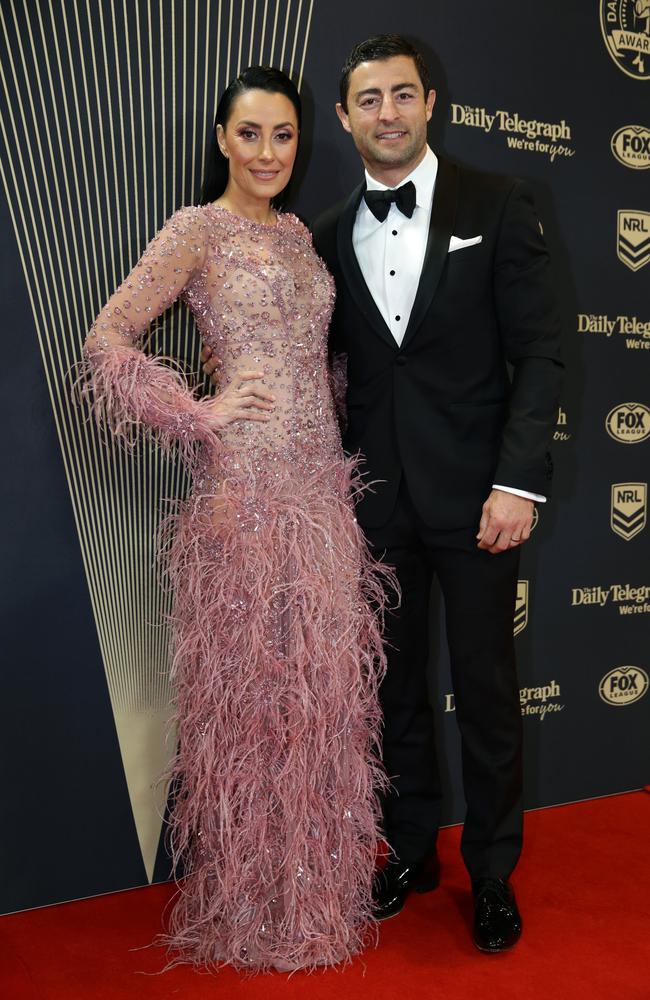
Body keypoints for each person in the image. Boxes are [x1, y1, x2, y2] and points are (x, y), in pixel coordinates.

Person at [79, 66, 394, 972]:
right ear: (222, 139)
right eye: (250, 133)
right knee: (253, 700)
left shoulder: (302, 238)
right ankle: (253, 906)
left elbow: (312, 363)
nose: (267, 152)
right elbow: (108, 339)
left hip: (322, 489)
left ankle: (313, 898)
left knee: (321, 701)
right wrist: (197, 413)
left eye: (284, 135)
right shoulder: (196, 231)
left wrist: (332, 414)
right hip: (242, 488)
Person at [310, 35, 564, 952]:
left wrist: (515, 484)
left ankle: (493, 872)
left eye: (402, 95)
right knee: (397, 692)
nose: (388, 113)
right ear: (344, 117)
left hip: (480, 503)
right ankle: (413, 849)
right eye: (368, 99)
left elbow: (541, 353)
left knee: (489, 692)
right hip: (374, 504)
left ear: (429, 103)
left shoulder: (498, 203)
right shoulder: (329, 231)